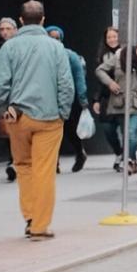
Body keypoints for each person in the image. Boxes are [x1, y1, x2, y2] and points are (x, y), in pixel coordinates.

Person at [0, 0, 75, 241]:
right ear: (42, 20)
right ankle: (40, 224)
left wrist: (4, 108)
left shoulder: (9, 47)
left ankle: (29, 216)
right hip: (49, 117)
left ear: (20, 20)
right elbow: (65, 85)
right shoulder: (55, 47)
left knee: (24, 167)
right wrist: (63, 113)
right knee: (44, 170)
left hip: (18, 116)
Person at [95, 38, 137, 173]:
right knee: (122, 133)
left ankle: (130, 160)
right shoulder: (118, 57)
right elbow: (100, 70)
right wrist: (110, 83)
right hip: (120, 103)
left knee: (131, 134)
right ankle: (130, 159)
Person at [48, 26, 90, 173]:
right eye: (51, 37)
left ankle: (80, 153)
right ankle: (55, 163)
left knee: (70, 130)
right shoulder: (44, 56)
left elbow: (79, 77)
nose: (54, 40)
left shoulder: (71, 56)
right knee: (52, 131)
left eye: (57, 37)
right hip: (49, 99)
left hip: (70, 100)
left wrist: (82, 98)